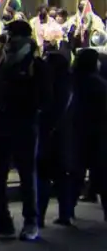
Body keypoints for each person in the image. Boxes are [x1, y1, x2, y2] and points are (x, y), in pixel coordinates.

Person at [0, 20, 48, 242]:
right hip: (1, 122)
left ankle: (31, 221)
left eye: (11, 35)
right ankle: (3, 220)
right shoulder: (4, 59)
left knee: (26, 175)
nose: (7, 40)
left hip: (23, 123)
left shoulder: (34, 62)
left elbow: (43, 95)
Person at [37, 50, 76, 227]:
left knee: (43, 176)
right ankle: (65, 214)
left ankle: (39, 217)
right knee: (63, 177)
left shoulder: (48, 86)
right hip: (66, 137)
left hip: (48, 134)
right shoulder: (70, 86)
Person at [72, 48, 107, 219]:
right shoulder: (99, 83)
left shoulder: (74, 80)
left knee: (75, 172)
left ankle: (67, 210)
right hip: (97, 132)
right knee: (99, 169)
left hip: (78, 132)